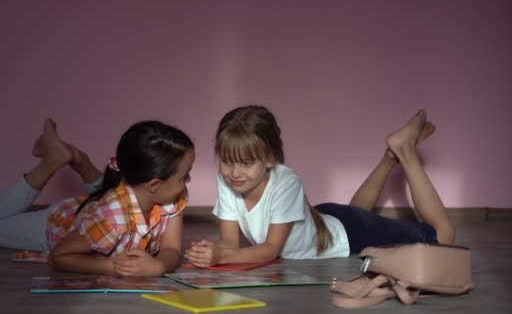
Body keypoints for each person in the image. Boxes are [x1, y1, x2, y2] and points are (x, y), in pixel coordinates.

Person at [184, 105, 455, 267]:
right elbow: (230, 242)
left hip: (349, 235)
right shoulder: (229, 180)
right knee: (355, 212)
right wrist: (212, 249)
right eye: (227, 161)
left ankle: (405, 150)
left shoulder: (286, 182)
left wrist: (220, 257)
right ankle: (389, 159)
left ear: (269, 159)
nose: (234, 172)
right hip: (324, 220)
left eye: (245, 163)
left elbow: (270, 250)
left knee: (443, 235)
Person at [0, 118, 195, 276]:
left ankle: (79, 159)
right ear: (155, 184)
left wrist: (158, 266)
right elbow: (59, 256)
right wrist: (112, 267)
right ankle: (51, 162)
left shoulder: (172, 196)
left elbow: (171, 249)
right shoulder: (110, 220)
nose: (188, 181)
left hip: (102, 208)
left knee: (112, 202)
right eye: (184, 176)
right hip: (59, 222)